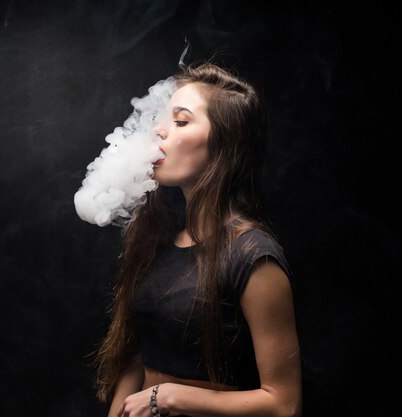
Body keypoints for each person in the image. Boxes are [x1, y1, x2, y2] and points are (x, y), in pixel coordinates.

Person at [92, 61, 302, 417]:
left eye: (181, 121)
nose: (158, 131)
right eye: (163, 118)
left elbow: (284, 404)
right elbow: (137, 355)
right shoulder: (156, 237)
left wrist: (168, 397)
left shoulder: (254, 257)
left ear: (223, 143)